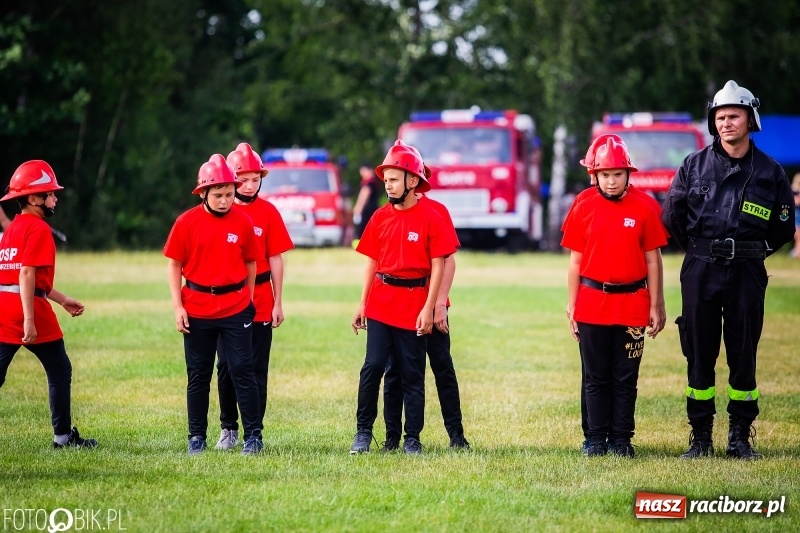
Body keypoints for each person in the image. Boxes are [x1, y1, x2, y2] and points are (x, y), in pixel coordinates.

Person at [662, 80, 795, 460]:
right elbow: (672, 216)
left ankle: (739, 436)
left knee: (743, 352)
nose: (726, 123)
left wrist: (752, 253)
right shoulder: (692, 166)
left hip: (747, 273)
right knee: (699, 352)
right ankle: (700, 437)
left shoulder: (770, 171)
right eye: (719, 117)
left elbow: (783, 227)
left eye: (733, 115)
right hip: (700, 270)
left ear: (750, 119)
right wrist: (701, 250)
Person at [562, 134, 669, 454]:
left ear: (628, 174)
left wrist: (657, 303)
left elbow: (653, 258)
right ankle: (595, 438)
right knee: (595, 376)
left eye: (617, 174)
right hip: (592, 302)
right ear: (593, 175)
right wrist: (572, 306)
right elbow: (575, 262)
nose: (611, 181)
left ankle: (622, 439)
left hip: (633, 304)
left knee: (625, 377)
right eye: (604, 174)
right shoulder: (583, 205)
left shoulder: (646, 207)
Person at [350, 140, 456, 455]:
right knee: (373, 367)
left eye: (394, 179)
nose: (388, 184)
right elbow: (372, 261)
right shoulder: (380, 217)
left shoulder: (431, 216)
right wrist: (362, 302)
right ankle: (363, 433)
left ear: (412, 180)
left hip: (414, 306)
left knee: (412, 371)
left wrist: (430, 307)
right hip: (382, 303)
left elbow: (439, 265)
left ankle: (412, 438)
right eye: (386, 179)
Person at [163, 154, 264, 455]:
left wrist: (245, 298)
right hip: (196, 307)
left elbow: (251, 263)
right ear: (203, 193)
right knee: (199, 374)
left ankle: (254, 437)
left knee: (243, 369)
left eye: (230, 194)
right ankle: (196, 437)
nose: (225, 200)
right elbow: (173, 265)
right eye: (218, 195)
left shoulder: (243, 221)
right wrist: (177, 306)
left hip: (235, 307)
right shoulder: (186, 222)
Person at [0, 160, 97, 449]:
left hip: (5, 308)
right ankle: (63, 438)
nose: (55, 198)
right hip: (28, 312)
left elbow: (21, 278)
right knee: (59, 370)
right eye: (50, 193)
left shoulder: (13, 230)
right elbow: (26, 274)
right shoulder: (39, 229)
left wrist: (62, 299)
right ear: (33, 198)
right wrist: (29, 320)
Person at [213, 143, 294, 451]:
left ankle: (253, 432)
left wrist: (278, 301)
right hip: (226, 300)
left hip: (259, 297)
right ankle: (228, 427)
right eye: (242, 179)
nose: (248, 185)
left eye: (255, 179)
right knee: (226, 367)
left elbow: (275, 258)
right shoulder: (221, 210)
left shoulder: (268, 212)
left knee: (256, 367)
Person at [382, 185, 470, 452]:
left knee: (443, 368)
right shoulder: (390, 211)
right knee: (395, 371)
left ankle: (456, 436)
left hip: (433, 307)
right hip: (400, 308)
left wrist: (440, 304)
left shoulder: (436, 211)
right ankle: (392, 438)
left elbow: (449, 261)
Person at [351, 163, 381, 246]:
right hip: (373, 208)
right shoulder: (374, 181)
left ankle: (360, 243)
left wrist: (358, 207)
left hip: (367, 209)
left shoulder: (369, 182)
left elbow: (364, 195)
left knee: (363, 227)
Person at [792, 173, 800, 259]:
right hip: (796, 216)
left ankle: (797, 253)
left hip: (798, 216)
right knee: (797, 237)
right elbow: (795, 202)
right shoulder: (793, 190)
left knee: (798, 238)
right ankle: (797, 254)